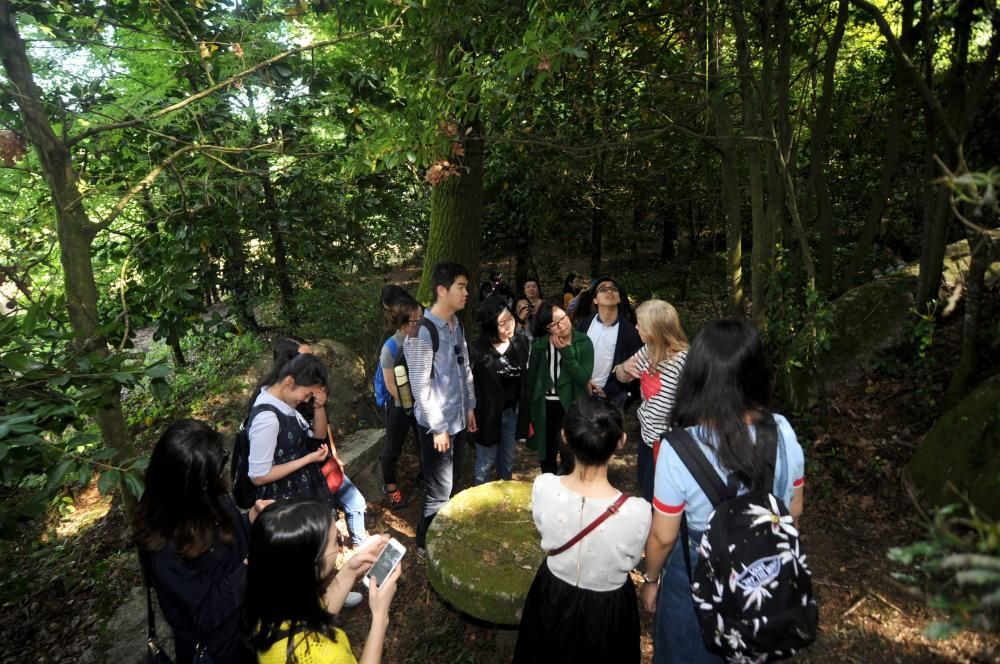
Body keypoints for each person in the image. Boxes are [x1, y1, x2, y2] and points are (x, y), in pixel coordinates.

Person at [639, 320, 805, 664]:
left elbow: (663, 536)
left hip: (695, 575)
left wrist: (651, 578)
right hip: (763, 574)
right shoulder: (784, 432)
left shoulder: (677, 448)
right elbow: (795, 511)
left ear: (696, 375)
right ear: (757, 373)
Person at [514, 396, 651, 663]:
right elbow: (633, 559)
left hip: (551, 594)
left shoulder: (544, 487)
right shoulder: (638, 511)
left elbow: (544, 529)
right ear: (621, 441)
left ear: (564, 436)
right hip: (608, 609)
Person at [135, 419, 271, 663]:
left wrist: (251, 518)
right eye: (217, 466)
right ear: (192, 482)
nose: (221, 471)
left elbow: (227, 538)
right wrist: (251, 566)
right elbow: (205, 613)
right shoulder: (163, 545)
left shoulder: (210, 493)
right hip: (218, 649)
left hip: (247, 624)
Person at [243, 501, 401, 664]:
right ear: (311, 567)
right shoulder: (323, 655)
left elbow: (317, 613)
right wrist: (380, 617)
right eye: (336, 541)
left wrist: (351, 569)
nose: (339, 545)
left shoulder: (267, 600)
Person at [248, 352, 369, 550]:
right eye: (306, 394)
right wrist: (307, 459)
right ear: (289, 382)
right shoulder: (267, 418)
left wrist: (319, 407)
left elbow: (317, 436)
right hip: (285, 499)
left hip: (301, 488)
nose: (306, 401)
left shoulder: (285, 403)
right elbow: (259, 475)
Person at [404, 261, 477, 557]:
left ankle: (442, 536)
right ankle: (426, 545)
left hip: (457, 420)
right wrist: (438, 426)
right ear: (441, 290)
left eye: (467, 287)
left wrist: (470, 406)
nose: (466, 293)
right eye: (461, 287)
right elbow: (420, 387)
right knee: (437, 492)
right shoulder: (421, 331)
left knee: (452, 483)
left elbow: (465, 367)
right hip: (438, 427)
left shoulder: (455, 324)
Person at [612, 299, 689, 502]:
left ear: (656, 330)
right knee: (646, 491)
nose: (636, 327)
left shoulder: (683, 362)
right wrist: (624, 368)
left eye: (640, 324)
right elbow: (619, 374)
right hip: (647, 439)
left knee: (661, 500)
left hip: (669, 446)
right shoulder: (649, 349)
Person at [525, 301, 594, 474]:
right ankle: (548, 491)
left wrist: (566, 352)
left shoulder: (583, 341)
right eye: (553, 325)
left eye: (562, 319)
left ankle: (570, 492)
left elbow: (583, 377)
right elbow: (532, 380)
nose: (560, 326)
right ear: (547, 329)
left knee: (570, 453)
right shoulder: (540, 347)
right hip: (546, 405)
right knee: (546, 453)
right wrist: (529, 413)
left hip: (573, 406)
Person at [469, 295, 529, 484]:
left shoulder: (520, 342)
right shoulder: (477, 349)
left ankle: (505, 496)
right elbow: (468, 383)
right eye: (502, 323)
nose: (509, 325)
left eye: (510, 319)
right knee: (485, 464)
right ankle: (481, 503)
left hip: (511, 413)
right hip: (486, 415)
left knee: (507, 461)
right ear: (490, 325)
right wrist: (469, 409)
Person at [379, 296, 423, 508]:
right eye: (419, 319)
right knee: (392, 449)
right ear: (407, 322)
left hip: (420, 404)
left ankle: (426, 479)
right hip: (399, 407)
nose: (423, 322)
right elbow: (390, 385)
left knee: (424, 443)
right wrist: (410, 404)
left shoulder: (420, 339)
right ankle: (391, 488)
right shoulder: (391, 347)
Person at [575, 277, 641, 406]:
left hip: (610, 400)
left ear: (619, 298)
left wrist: (608, 391)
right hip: (582, 392)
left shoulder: (629, 331)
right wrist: (583, 381)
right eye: (603, 289)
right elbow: (573, 355)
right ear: (595, 299)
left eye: (613, 289)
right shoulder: (584, 324)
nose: (609, 291)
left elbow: (633, 367)